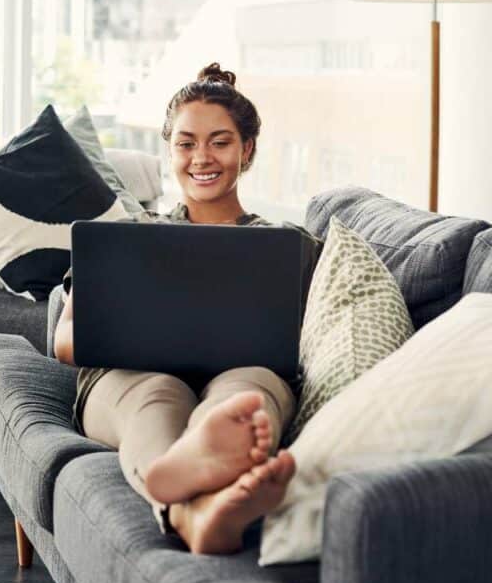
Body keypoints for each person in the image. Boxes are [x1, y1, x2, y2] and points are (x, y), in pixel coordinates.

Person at [54, 63, 320, 555]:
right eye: (186, 143)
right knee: (158, 391)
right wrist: (132, 338)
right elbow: (64, 339)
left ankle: (193, 508)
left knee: (246, 392)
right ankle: (193, 502)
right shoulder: (127, 238)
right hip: (133, 378)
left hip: (244, 372)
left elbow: (315, 337)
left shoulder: (289, 246)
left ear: (248, 150)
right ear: (170, 149)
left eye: (220, 142)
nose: (202, 157)